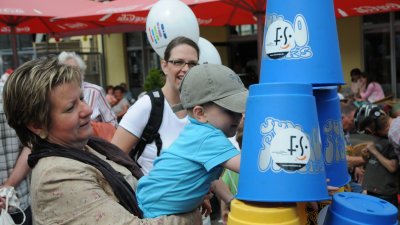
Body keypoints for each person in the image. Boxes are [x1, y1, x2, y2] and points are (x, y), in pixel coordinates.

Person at [3, 56, 201, 225]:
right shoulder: (57, 176)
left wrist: (182, 193)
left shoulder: (86, 148)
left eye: (81, 98)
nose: (88, 109)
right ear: (37, 125)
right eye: (71, 107)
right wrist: (192, 211)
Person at [136, 64, 247, 219]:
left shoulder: (197, 131)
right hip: (158, 212)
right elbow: (249, 167)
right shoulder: (208, 137)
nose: (239, 116)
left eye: (239, 109)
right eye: (230, 110)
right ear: (200, 113)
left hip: (152, 201)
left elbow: (213, 179)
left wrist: (230, 200)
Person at [112, 36, 200, 175]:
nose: (186, 69)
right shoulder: (147, 106)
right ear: (164, 66)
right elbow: (113, 160)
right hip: (152, 195)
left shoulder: (201, 109)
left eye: (192, 64)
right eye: (178, 62)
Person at [0, 72, 32, 224]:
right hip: (18, 198)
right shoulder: (11, 99)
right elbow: (31, 144)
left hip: (17, 201)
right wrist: (8, 187)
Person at [353, 104, 399, 207]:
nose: (369, 134)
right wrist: (366, 156)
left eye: (367, 132)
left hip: (384, 193)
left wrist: (374, 151)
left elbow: (393, 167)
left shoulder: (393, 136)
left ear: (370, 129)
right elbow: (375, 161)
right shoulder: (380, 138)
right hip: (371, 190)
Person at [58, 52, 117, 127]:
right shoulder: (58, 94)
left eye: (75, 70)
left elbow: (112, 123)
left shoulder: (96, 92)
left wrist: (94, 129)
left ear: (82, 71)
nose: (71, 74)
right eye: (66, 71)